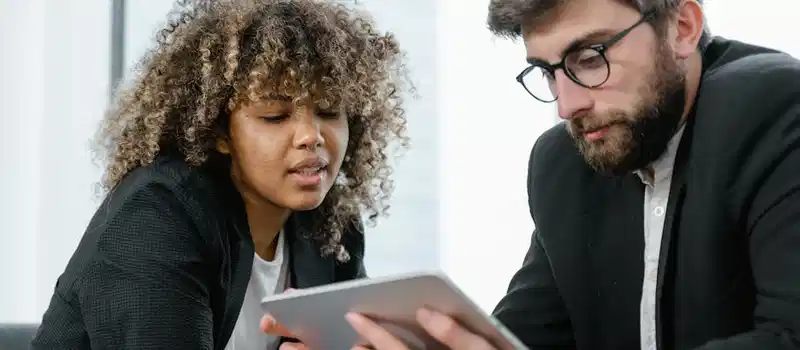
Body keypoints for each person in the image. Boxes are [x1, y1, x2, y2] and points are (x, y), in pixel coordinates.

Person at [263, 0, 800, 349]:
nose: (566, 106)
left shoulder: (777, 107)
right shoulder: (565, 164)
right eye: (546, 72)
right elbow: (520, 339)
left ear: (682, 27)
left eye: (590, 58)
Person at [29, 0, 410, 349]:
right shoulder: (156, 216)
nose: (311, 136)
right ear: (221, 132)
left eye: (329, 111)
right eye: (274, 117)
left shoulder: (330, 225)